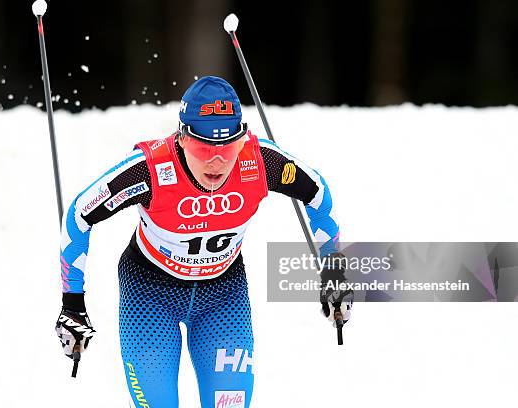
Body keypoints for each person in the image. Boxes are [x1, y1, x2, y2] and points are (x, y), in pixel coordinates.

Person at [55, 76, 352, 408]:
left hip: (222, 297)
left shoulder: (261, 163)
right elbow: (80, 215)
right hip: (150, 298)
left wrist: (334, 271)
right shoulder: (151, 171)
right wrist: (73, 303)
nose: (218, 161)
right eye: (204, 148)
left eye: (228, 148)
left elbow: (319, 196)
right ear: (181, 139)